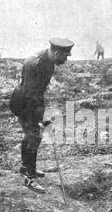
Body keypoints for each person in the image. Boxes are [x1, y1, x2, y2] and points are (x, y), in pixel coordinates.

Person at [10, 38, 74, 193]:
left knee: (31, 135)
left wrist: (41, 114)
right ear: (57, 52)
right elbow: (31, 94)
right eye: (64, 57)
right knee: (34, 136)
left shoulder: (49, 63)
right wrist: (41, 117)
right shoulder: (35, 64)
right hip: (23, 102)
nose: (65, 60)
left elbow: (39, 92)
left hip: (33, 99)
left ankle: (26, 167)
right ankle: (30, 178)